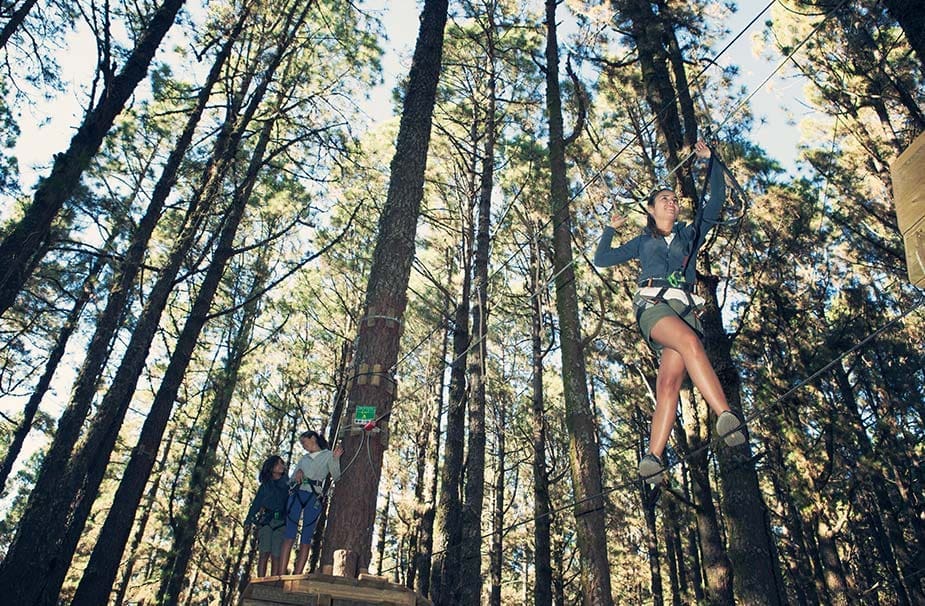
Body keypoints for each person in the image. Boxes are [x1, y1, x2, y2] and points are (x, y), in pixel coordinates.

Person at [594, 140, 746, 485]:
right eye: (664, 199)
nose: (672, 202)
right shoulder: (642, 241)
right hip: (653, 308)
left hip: (684, 310)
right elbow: (602, 259)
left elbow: (716, 202)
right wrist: (610, 230)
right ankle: (725, 414)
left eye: (674, 199)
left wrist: (712, 162)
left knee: (668, 384)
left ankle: (653, 458)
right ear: (650, 209)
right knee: (691, 343)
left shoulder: (688, 235)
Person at [279, 430, 343, 574]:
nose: (303, 445)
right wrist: (298, 474)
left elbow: (336, 476)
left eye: (304, 442)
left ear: (313, 438)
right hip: (297, 494)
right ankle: (281, 573)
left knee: (306, 537)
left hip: (314, 496)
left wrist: (335, 459)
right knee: (289, 534)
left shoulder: (327, 455)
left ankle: (297, 575)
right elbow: (291, 480)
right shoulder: (304, 459)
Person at [244, 455, 290, 576]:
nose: (281, 466)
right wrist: (248, 520)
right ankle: (260, 581)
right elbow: (256, 504)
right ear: (271, 468)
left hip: (281, 522)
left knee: (276, 555)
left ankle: (273, 582)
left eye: (282, 463)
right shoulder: (265, 487)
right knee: (263, 554)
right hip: (266, 522)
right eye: (277, 464)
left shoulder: (288, 484)